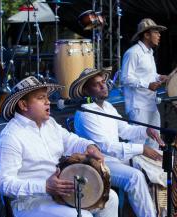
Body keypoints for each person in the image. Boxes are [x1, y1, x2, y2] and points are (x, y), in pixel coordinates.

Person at [0, 76, 118, 217]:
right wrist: (44, 186)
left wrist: (90, 146)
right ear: (23, 105)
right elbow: (4, 184)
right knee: (82, 216)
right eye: (41, 98)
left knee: (110, 198)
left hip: (59, 193)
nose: (48, 102)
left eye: (47, 97)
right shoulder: (10, 137)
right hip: (30, 203)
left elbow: (71, 140)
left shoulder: (49, 123)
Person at [70, 68, 167, 217]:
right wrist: (142, 149)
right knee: (135, 177)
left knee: (161, 164)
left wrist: (146, 130)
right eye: (97, 84)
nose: (103, 86)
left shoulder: (107, 107)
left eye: (103, 82)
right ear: (86, 90)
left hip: (117, 159)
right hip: (99, 164)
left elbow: (125, 130)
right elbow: (106, 147)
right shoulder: (85, 113)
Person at [121, 18, 168, 149]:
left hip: (151, 103)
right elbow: (125, 78)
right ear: (146, 35)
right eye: (156, 32)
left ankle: (151, 170)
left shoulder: (149, 53)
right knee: (138, 144)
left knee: (155, 142)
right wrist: (147, 85)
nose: (159, 35)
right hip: (138, 105)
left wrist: (159, 77)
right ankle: (135, 169)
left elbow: (149, 75)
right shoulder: (133, 53)